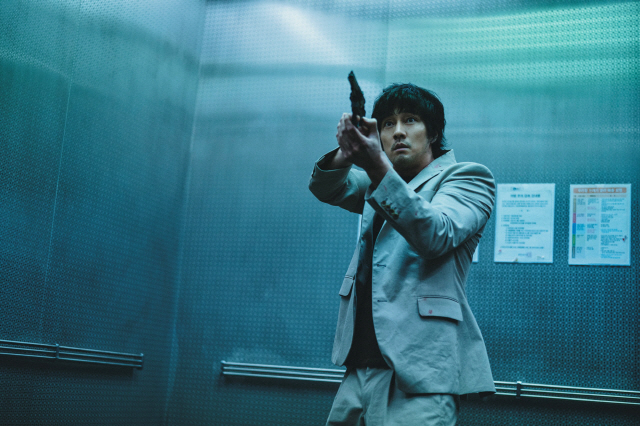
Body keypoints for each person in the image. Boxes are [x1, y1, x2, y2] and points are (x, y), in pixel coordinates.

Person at [309, 83, 496, 426]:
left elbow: (436, 234)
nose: (397, 132)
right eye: (387, 124)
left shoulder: (468, 177)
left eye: (410, 120)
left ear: (433, 132)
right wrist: (348, 151)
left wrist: (376, 165)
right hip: (358, 370)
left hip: (421, 375)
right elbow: (326, 187)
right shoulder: (377, 182)